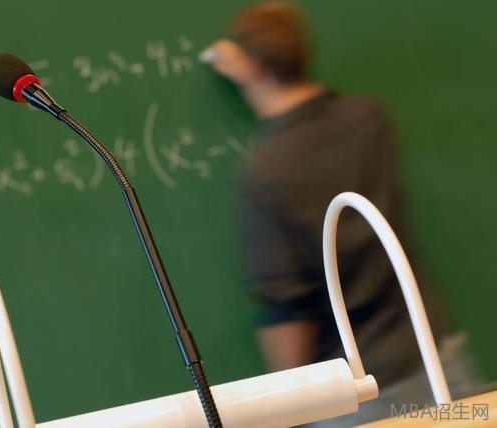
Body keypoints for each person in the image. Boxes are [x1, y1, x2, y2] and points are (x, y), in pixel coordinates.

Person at [203, 1, 485, 425]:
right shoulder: (368, 119)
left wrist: (293, 403)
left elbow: (287, 307)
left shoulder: (267, 170)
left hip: (355, 392)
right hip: (433, 356)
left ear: (253, 67)